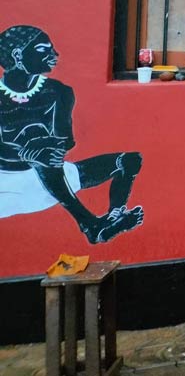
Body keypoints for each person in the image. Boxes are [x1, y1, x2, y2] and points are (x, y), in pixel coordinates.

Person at [0, 25, 143, 243]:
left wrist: (48, 146)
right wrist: (27, 152)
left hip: (47, 178)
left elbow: (66, 140)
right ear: (18, 55)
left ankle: (115, 215)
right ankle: (90, 225)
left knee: (130, 160)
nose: (54, 55)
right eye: (43, 49)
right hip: (7, 183)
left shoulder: (59, 91)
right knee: (38, 139)